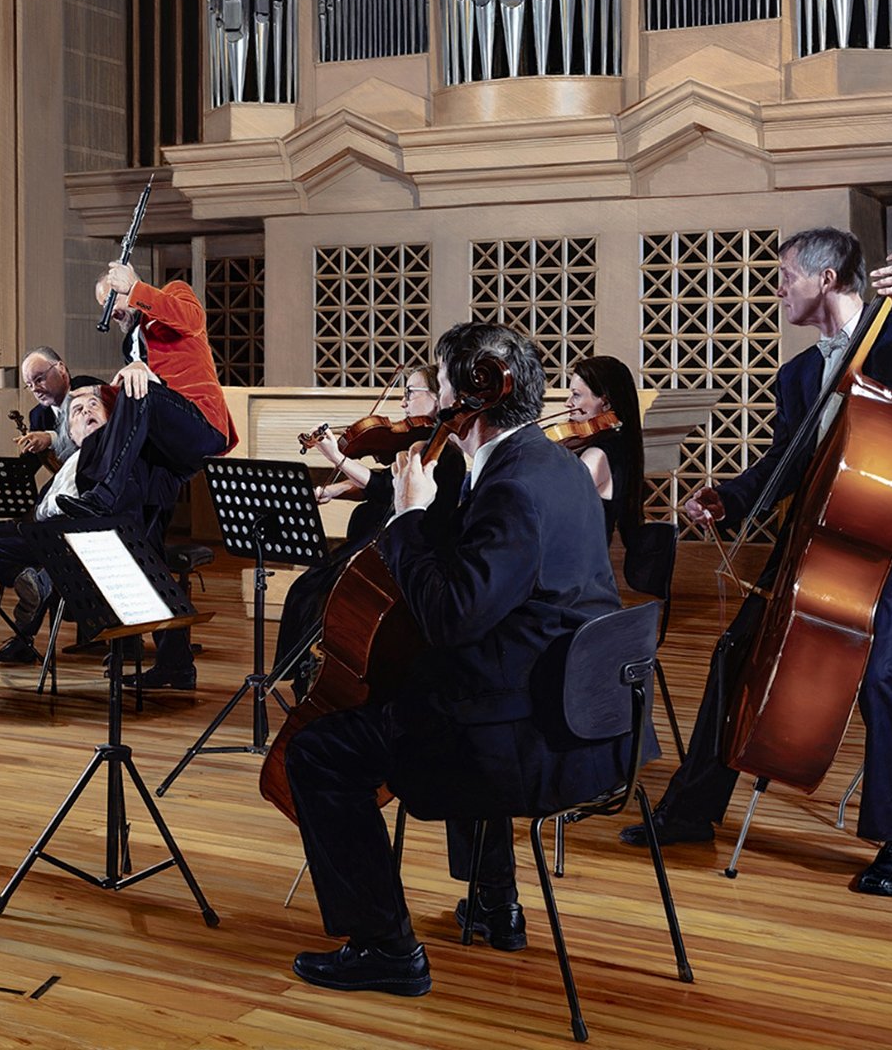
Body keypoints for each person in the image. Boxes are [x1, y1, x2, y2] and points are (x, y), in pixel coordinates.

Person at [619, 227, 892, 899]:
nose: (778, 288)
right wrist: (731, 494)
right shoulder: (800, 374)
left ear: (828, 276)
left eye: (786, 276)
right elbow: (787, 461)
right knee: (733, 649)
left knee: (881, 673)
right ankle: (692, 810)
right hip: (825, 534)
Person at [284, 322, 628, 997]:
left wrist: (410, 517)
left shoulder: (512, 487)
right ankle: (495, 901)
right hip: (581, 708)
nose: (433, 401)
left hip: (531, 738)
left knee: (319, 752)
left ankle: (385, 946)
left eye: (440, 383)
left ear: (475, 390)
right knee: (449, 682)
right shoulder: (551, 465)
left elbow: (450, 615)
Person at [0, 386, 169, 705]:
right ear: (70, 433)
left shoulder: (121, 461)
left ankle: (36, 584)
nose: (86, 412)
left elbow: (119, 519)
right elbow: (31, 524)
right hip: (42, 544)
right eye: (76, 412)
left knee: (26, 551)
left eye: (95, 406)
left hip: (86, 557)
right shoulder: (66, 469)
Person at [76, 260, 238, 690]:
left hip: (199, 424)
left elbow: (193, 319)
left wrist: (137, 288)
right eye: (106, 307)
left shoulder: (172, 294)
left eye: (113, 300)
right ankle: (175, 664)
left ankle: (104, 493)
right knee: (146, 551)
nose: (112, 313)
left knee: (140, 388)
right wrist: (90, 396)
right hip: (162, 455)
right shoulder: (132, 341)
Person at [275, 366, 465, 688]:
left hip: (403, 549)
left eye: (411, 393)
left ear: (437, 398)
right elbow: (379, 485)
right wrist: (334, 489)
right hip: (374, 538)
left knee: (317, 591)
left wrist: (337, 457)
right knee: (306, 589)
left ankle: (319, 673)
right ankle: (304, 671)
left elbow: (386, 489)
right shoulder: (413, 446)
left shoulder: (443, 454)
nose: (403, 403)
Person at [564, 354, 645, 548]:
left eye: (576, 395)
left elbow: (559, 514)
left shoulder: (596, 456)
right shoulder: (621, 444)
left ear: (605, 402)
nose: (568, 403)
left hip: (577, 564)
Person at [17, 346, 77, 468]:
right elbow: (29, 465)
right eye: (29, 385)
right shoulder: (38, 415)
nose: (34, 389)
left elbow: (93, 438)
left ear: (60, 369)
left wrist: (52, 438)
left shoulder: (89, 391)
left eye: (39, 380)